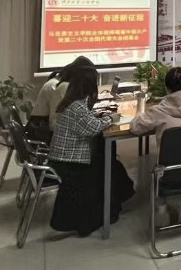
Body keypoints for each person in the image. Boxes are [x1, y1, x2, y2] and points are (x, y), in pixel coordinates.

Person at [48, 66, 134, 237]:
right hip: (70, 161)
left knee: (110, 163)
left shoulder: (72, 102)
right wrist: (110, 118)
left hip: (64, 157)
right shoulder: (76, 107)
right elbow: (93, 128)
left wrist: (99, 116)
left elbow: (87, 122)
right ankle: (108, 210)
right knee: (108, 166)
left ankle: (114, 203)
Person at [131, 66, 181, 223]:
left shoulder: (158, 111)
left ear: (166, 87)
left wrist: (139, 112)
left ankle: (164, 203)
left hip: (168, 173)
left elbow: (135, 128)